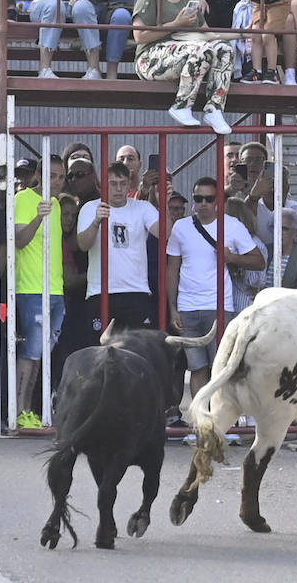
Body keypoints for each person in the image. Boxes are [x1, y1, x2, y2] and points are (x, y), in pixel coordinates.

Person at [166, 176, 264, 396]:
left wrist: (232, 258)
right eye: (198, 198)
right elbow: (172, 269)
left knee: (221, 368)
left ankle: (220, 421)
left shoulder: (233, 226)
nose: (203, 203)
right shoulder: (181, 227)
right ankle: (200, 423)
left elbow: (259, 261)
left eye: (208, 199)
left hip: (219, 306)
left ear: (218, 201)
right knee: (197, 368)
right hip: (187, 307)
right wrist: (172, 308)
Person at [132, 0, 236, 135]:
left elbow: (208, 34)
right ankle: (182, 105)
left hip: (188, 50)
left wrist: (242, 35)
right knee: (201, 50)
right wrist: (175, 24)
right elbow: (139, 36)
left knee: (223, 49)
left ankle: (215, 108)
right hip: (150, 58)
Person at [77, 160, 161, 330]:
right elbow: (83, 245)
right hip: (100, 292)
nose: (118, 189)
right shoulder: (90, 208)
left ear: (130, 184)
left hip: (136, 292)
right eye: (113, 184)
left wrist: (163, 203)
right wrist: (96, 222)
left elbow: (165, 234)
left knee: (136, 352)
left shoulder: (142, 208)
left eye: (123, 183)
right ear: (102, 185)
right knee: (101, 351)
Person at [14, 156, 66, 424]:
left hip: (55, 290)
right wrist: (38, 216)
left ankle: (27, 409)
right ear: (38, 175)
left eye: (60, 177)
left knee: (41, 355)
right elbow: (19, 241)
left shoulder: (57, 204)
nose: (56, 182)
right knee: (31, 353)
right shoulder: (22, 199)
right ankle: (20, 410)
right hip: (32, 289)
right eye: (51, 176)